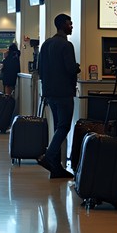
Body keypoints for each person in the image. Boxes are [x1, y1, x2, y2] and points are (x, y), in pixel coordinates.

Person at [38, 13, 79, 179]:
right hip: (64, 93)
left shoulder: (46, 44)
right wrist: (77, 67)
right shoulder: (66, 45)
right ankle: (48, 157)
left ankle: (56, 168)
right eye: (70, 24)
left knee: (57, 127)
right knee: (64, 127)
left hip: (49, 93)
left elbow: (40, 69)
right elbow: (70, 69)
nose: (72, 26)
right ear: (63, 25)